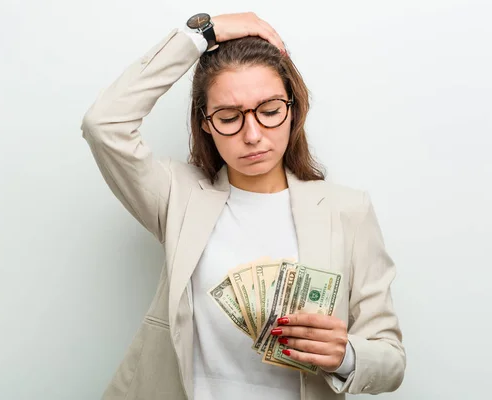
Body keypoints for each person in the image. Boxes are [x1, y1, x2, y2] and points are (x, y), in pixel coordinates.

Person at [81, 11, 406, 400]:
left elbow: (390, 357)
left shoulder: (347, 211)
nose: (252, 135)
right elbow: (104, 124)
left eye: (269, 111)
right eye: (229, 117)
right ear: (205, 122)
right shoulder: (177, 196)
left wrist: (347, 356)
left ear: (293, 108)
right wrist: (198, 34)